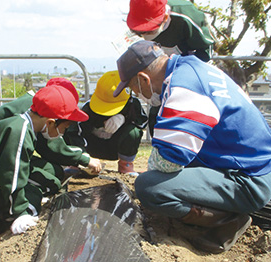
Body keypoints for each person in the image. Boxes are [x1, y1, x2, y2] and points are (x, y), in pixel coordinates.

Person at [113, 40, 271, 253]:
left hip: (248, 179)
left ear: (143, 79)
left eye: (133, 88)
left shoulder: (183, 88)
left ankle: (227, 222)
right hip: (249, 163)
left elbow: (169, 160)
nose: (136, 94)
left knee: (150, 187)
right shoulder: (193, 68)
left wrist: (153, 168)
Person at [0, 84, 93, 243]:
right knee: (31, 202)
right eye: (65, 128)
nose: (63, 133)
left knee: (45, 185)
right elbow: (11, 176)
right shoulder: (20, 133)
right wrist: (20, 212)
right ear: (51, 122)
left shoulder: (24, 124)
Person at [127, 0, 215, 137]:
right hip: (157, 73)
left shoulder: (187, 17)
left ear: (166, 18)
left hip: (186, 73)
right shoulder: (139, 10)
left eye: (149, 30)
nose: (145, 35)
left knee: (182, 118)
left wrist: (179, 69)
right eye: (140, 32)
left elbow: (206, 52)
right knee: (156, 117)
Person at [0, 78, 102, 173]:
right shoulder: (36, 112)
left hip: (6, 156)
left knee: (51, 171)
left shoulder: (35, 105)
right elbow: (50, 148)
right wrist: (84, 159)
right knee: (52, 176)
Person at [64, 70, 148, 176]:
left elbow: (142, 122)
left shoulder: (132, 104)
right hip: (91, 147)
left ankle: (125, 165)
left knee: (134, 132)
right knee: (67, 127)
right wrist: (82, 156)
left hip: (115, 148)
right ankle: (74, 163)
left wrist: (124, 118)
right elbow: (75, 131)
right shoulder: (87, 108)